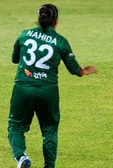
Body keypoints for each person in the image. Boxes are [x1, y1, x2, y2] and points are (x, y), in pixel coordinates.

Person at [7, 4, 98, 168]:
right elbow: (74, 69)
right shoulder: (60, 42)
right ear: (55, 21)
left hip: (23, 88)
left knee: (16, 126)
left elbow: (15, 58)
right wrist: (84, 71)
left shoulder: (24, 35)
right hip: (47, 91)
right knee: (49, 130)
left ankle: (21, 157)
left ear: (38, 18)